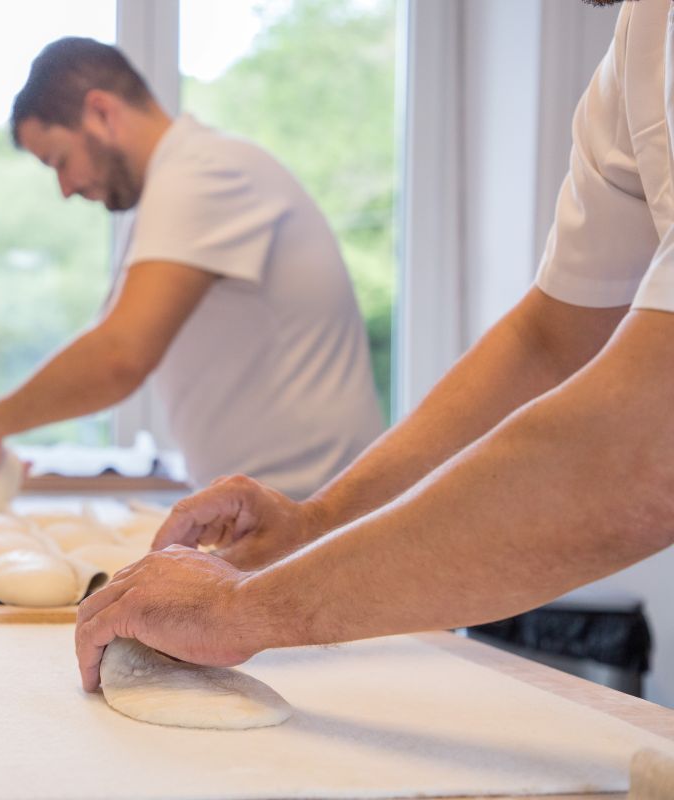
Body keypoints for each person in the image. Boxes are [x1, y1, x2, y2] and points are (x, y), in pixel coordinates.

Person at [74, 0, 674, 693]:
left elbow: (646, 443)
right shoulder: (643, 35)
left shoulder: (203, 170)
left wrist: (244, 609)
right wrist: (315, 524)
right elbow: (550, 343)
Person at [0, 37, 383, 500]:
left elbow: (118, 356)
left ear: (101, 113)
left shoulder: (203, 172)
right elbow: (106, 343)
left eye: (60, 161)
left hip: (313, 510)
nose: (65, 189)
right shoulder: (175, 186)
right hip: (279, 506)